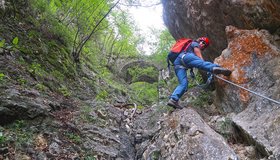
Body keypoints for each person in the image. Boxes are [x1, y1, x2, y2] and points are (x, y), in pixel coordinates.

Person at [167, 37, 232, 109]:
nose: (202, 44)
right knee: (202, 63)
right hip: (185, 57)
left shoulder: (189, 46)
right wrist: (209, 69)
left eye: (204, 44)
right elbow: (200, 59)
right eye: (202, 42)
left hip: (178, 64)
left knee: (183, 84)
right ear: (199, 41)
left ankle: (173, 99)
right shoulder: (195, 43)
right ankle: (216, 68)